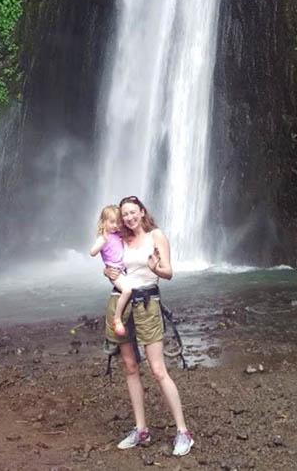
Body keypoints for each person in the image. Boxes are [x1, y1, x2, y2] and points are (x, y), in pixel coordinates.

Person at [104, 195, 194, 457]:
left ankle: (183, 432)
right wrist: (108, 273)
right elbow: (113, 265)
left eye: (133, 212)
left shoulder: (156, 236)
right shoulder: (121, 238)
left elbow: (168, 272)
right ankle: (141, 429)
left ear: (142, 212)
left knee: (157, 369)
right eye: (125, 215)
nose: (129, 218)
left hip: (147, 303)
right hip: (121, 303)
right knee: (131, 368)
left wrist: (156, 267)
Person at [90, 205, 132, 337]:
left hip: (123, 269)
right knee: (127, 290)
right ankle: (117, 318)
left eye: (118, 222)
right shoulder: (104, 238)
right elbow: (92, 252)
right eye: (112, 222)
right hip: (114, 271)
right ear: (104, 222)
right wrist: (101, 243)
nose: (115, 225)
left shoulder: (118, 235)